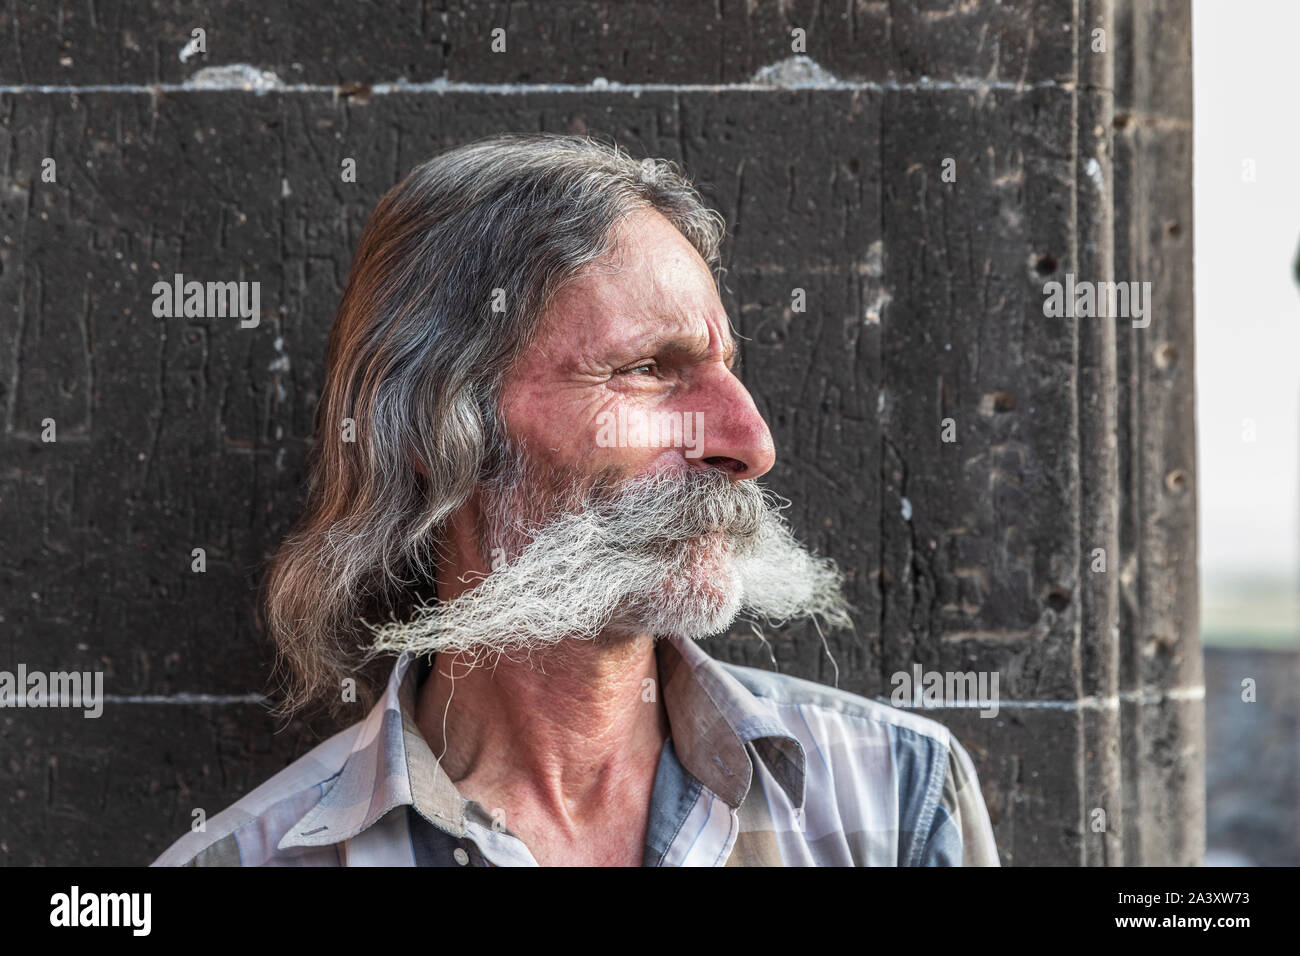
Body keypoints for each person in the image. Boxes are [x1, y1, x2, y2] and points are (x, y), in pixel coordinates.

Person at [153, 133, 999, 867]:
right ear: (435, 429)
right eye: (646, 369)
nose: (750, 442)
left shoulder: (897, 800)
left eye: (723, 369)